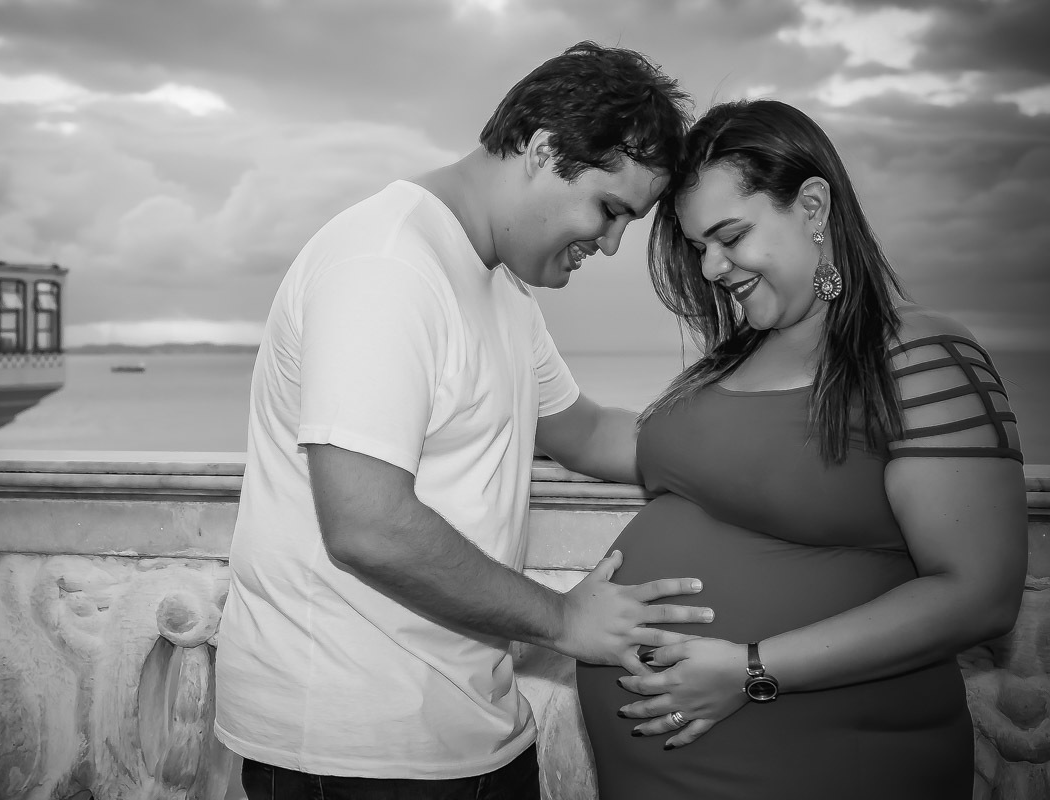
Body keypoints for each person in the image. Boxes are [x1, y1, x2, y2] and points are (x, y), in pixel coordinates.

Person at [215, 42, 713, 799]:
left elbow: (587, 432)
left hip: (476, 734)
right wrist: (565, 621)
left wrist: (761, 445)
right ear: (545, 149)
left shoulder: (503, 288)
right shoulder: (386, 266)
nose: (611, 244)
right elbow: (366, 524)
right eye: (610, 211)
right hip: (355, 757)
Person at [575, 98, 1028, 799]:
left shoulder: (919, 356)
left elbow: (979, 595)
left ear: (812, 207)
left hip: (828, 766)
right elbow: (611, 439)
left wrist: (750, 668)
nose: (714, 266)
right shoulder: (728, 365)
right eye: (698, 247)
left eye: (729, 236)